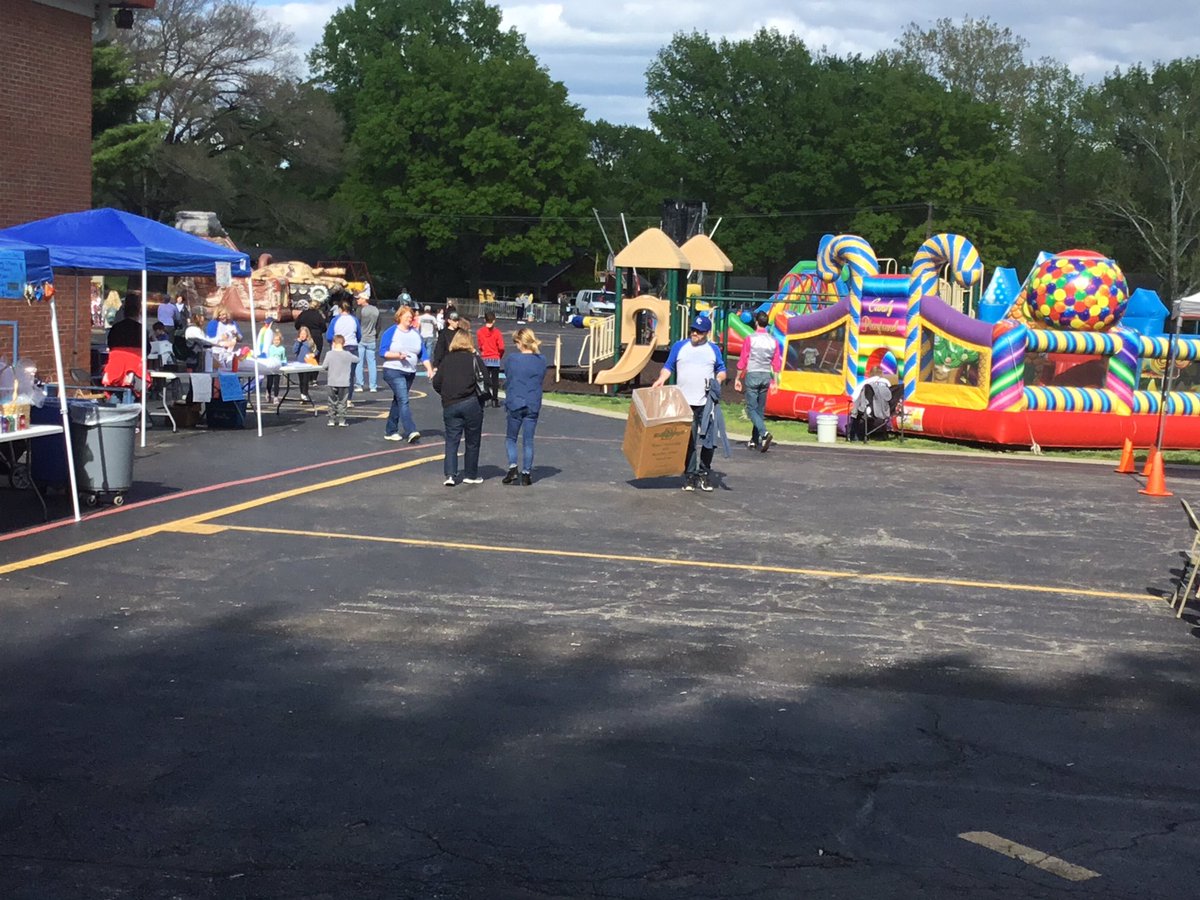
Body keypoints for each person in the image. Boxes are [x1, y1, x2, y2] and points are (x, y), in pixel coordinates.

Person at [651, 314, 727, 492]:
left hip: (706, 402)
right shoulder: (680, 346)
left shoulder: (713, 349)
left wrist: (718, 380)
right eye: (693, 330)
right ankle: (690, 474)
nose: (695, 333)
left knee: (709, 440)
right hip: (684, 402)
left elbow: (722, 369)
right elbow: (668, 366)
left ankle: (704, 472)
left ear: (707, 333)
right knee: (688, 440)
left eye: (699, 332)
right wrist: (661, 379)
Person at [431, 329, 485, 487]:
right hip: (471, 402)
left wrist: (446, 394)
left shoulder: (447, 361)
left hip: (450, 404)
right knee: (472, 441)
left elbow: (436, 383)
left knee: (451, 440)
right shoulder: (474, 359)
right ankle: (470, 474)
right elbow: (486, 380)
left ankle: (450, 474)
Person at [378, 305, 432, 443]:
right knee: (403, 399)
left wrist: (429, 369)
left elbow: (423, 354)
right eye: (407, 316)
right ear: (399, 316)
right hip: (393, 370)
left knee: (398, 400)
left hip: (410, 372)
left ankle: (390, 431)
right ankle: (411, 430)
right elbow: (383, 352)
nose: (410, 318)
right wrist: (397, 356)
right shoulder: (391, 332)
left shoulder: (415, 334)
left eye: (411, 316)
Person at [502, 327, 546, 486]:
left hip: (515, 401)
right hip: (532, 402)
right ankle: (526, 473)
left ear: (521, 342)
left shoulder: (512, 359)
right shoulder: (541, 360)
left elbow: (508, 375)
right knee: (528, 440)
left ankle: (513, 466)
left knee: (511, 438)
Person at [733, 310, 783, 452]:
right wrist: (776, 381)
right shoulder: (773, 341)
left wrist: (737, 377)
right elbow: (776, 363)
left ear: (756, 322)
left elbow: (743, 360)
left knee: (750, 409)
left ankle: (764, 433)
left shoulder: (750, 339)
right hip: (766, 375)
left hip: (753, 373)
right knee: (759, 410)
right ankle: (754, 440)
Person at [325, 299, 362, 404]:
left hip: (338, 348)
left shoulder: (335, 320)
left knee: (336, 374)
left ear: (340, 309)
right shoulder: (354, 320)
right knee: (350, 375)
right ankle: (348, 399)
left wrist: (335, 342)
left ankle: (336, 398)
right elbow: (359, 335)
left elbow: (329, 336)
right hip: (352, 347)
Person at [319, 334, 355, 427]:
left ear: (333, 343)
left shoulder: (329, 354)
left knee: (332, 401)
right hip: (344, 382)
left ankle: (331, 420)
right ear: (343, 343)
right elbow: (357, 359)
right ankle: (342, 420)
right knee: (342, 402)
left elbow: (324, 367)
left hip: (332, 381)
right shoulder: (347, 354)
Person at [476, 310, 505, 407]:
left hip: (485, 357)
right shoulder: (497, 332)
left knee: (485, 379)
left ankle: (486, 397)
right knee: (495, 380)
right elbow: (501, 347)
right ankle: (495, 399)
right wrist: (499, 356)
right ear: (494, 320)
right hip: (495, 358)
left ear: (485, 319)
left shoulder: (480, 332)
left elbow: (480, 345)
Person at [355, 292, 380, 393]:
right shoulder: (375, 310)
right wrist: (375, 335)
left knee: (359, 363)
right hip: (371, 338)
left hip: (361, 338)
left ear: (364, 299)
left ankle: (359, 385)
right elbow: (379, 325)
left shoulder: (360, 310)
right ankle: (373, 386)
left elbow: (357, 324)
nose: (357, 300)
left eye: (359, 298)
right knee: (372, 363)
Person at [293, 325, 316, 401]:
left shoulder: (310, 342)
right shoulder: (298, 342)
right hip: (300, 364)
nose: (302, 335)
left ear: (307, 334)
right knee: (301, 380)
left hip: (307, 364)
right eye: (301, 334)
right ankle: (302, 394)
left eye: (304, 334)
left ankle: (305, 393)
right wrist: (298, 342)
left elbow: (316, 350)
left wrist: (313, 354)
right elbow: (294, 350)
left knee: (306, 380)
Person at [266, 330, 287, 403]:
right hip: (271, 368)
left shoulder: (282, 349)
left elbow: (283, 358)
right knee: (269, 382)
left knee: (276, 383)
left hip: (278, 368)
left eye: (278, 340)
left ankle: (275, 396)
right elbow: (267, 357)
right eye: (275, 340)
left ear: (280, 340)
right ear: (272, 341)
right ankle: (268, 393)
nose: (276, 341)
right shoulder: (270, 348)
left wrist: (284, 363)